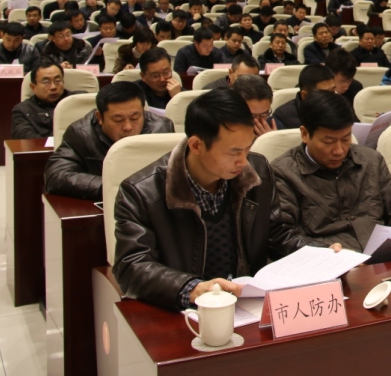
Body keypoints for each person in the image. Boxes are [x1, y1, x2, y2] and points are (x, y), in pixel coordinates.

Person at [112, 89, 318, 311]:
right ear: (196, 145)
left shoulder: (257, 171)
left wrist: (319, 256)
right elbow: (131, 266)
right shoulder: (142, 193)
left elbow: (277, 233)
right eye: (233, 152)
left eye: (247, 148)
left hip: (247, 303)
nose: (243, 162)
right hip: (184, 311)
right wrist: (193, 288)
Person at [272, 91, 391, 252]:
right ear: (305, 134)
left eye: (345, 139)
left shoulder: (371, 160)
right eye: (328, 141)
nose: (339, 150)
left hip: (380, 258)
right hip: (328, 261)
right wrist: (324, 252)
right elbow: (282, 235)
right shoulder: (283, 173)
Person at [44, 81, 175, 200]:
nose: (128, 127)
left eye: (135, 118)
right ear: (99, 117)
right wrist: (113, 188)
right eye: (118, 120)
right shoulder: (81, 133)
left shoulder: (162, 128)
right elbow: (56, 175)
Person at [10, 59, 76, 139]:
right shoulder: (23, 110)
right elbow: (25, 138)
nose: (53, 87)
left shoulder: (77, 101)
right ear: (33, 87)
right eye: (46, 82)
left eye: (57, 81)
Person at [273, 64, 337, 130]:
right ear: (304, 95)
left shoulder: (340, 109)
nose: (331, 98)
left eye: (332, 91)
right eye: (323, 94)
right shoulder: (282, 117)